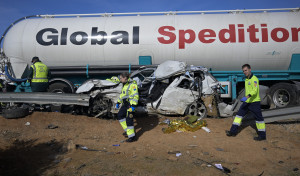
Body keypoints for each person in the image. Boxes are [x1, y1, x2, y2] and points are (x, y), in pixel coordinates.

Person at [226, 64, 266, 141]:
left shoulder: (254, 79)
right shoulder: (247, 79)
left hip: (254, 102)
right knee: (238, 116)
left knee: (259, 119)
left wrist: (247, 96)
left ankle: (262, 136)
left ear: (250, 69)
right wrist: (246, 99)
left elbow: (254, 91)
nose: (244, 72)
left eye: (246, 70)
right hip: (247, 102)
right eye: (243, 71)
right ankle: (232, 132)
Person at [115, 72, 139, 142]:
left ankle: (132, 137)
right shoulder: (125, 84)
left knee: (129, 120)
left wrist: (133, 106)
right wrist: (118, 102)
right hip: (125, 104)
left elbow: (136, 96)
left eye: (121, 78)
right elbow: (123, 95)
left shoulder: (133, 85)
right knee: (120, 116)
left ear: (125, 78)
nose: (120, 80)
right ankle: (128, 131)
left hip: (131, 104)